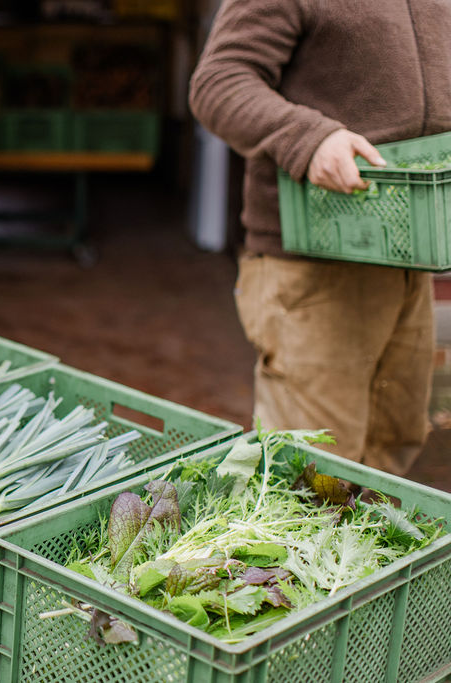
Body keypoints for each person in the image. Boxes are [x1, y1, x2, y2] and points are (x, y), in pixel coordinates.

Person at [188, 1, 451, 476]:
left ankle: (367, 555)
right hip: (312, 266)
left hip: (407, 259)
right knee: (312, 476)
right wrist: (309, 140)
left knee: (393, 446)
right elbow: (219, 82)